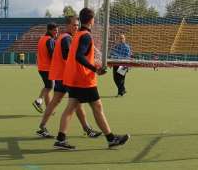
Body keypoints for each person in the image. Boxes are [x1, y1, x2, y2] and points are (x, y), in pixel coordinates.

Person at [54, 8, 130, 150]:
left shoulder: (78, 34)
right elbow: (79, 56)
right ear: (91, 20)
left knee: (70, 108)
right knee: (97, 106)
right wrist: (95, 69)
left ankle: (60, 139)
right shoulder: (86, 36)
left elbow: (79, 55)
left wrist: (94, 64)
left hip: (74, 77)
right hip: (83, 79)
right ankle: (111, 138)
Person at [36, 16, 101, 139]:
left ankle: (42, 126)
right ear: (67, 25)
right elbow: (68, 57)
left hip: (61, 75)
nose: (76, 27)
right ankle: (86, 129)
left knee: (62, 102)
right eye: (73, 25)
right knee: (75, 103)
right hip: (66, 76)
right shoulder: (67, 39)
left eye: (77, 25)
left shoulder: (63, 37)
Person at [32, 22, 58, 113]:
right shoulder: (50, 40)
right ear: (50, 30)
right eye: (55, 30)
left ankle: (49, 109)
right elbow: (52, 54)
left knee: (48, 86)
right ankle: (38, 101)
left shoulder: (42, 39)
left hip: (41, 67)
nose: (56, 32)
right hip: (47, 68)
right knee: (50, 86)